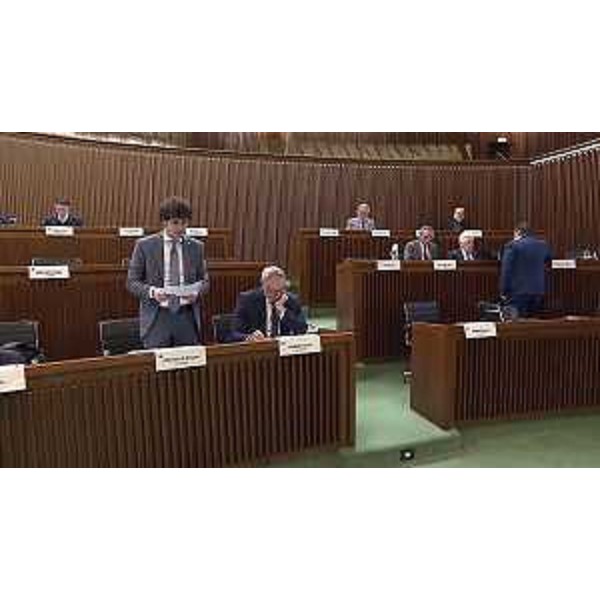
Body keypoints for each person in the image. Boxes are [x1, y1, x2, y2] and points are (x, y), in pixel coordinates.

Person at [126, 197, 209, 348]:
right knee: (157, 361)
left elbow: (205, 282)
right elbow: (132, 282)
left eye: (184, 223)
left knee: (189, 362)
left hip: (187, 317)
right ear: (164, 222)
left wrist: (196, 293)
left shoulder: (196, 247)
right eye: (175, 223)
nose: (181, 228)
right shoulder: (145, 245)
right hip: (157, 316)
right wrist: (152, 292)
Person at [230, 265, 308, 342]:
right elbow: (234, 332)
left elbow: (302, 329)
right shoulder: (248, 300)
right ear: (263, 286)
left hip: (283, 346)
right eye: (272, 291)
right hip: (260, 346)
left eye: (281, 290)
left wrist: (283, 312)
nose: (278, 295)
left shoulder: (291, 300)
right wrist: (249, 337)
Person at [500, 222, 552, 318]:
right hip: (538, 291)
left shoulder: (512, 246)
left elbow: (506, 270)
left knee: (517, 323)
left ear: (517, 232)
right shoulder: (543, 245)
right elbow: (548, 262)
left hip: (518, 292)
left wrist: (503, 291)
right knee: (533, 323)